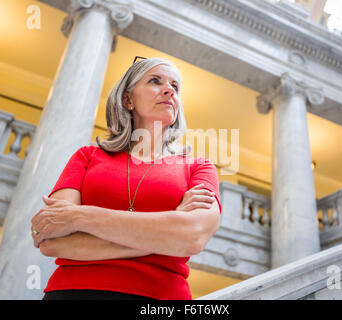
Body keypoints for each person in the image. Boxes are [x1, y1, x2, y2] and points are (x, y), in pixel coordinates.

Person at [30, 57, 222, 300]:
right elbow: (53, 240)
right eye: (155, 81)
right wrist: (167, 237)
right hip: (71, 293)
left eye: (175, 86)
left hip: (159, 299)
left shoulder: (199, 167)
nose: (168, 90)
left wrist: (79, 218)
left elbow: (193, 235)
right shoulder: (87, 156)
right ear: (127, 99)